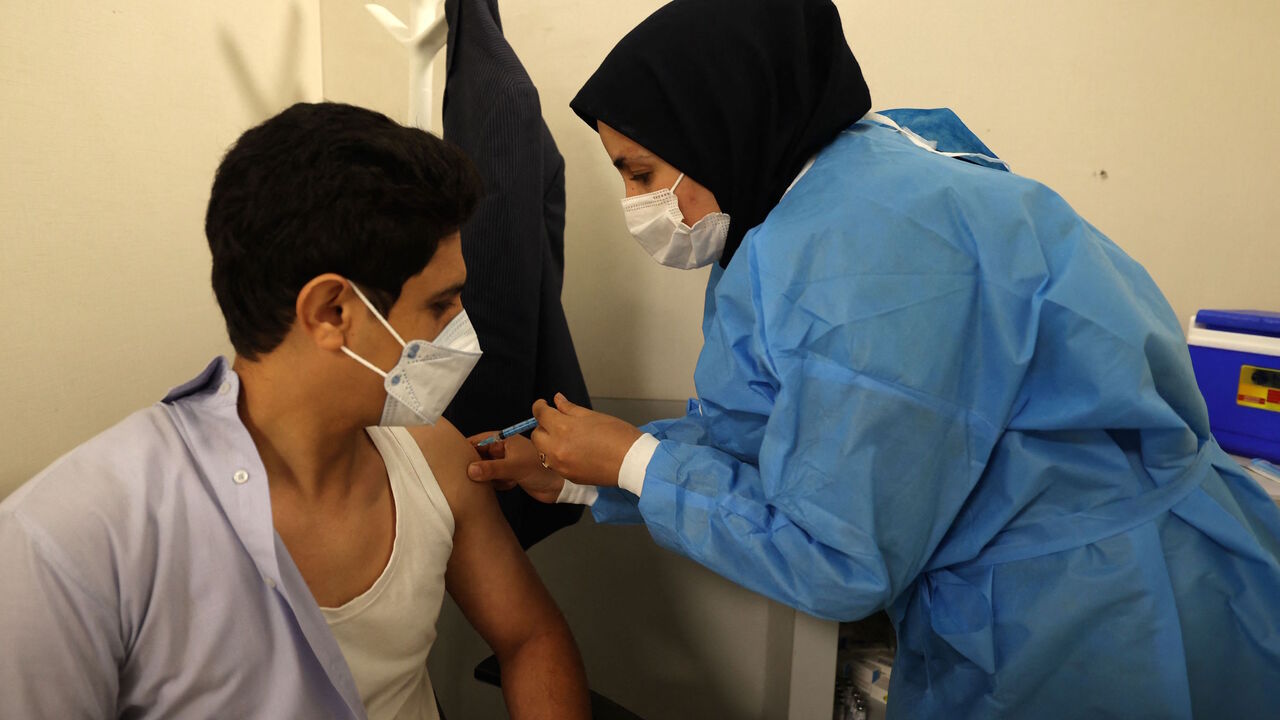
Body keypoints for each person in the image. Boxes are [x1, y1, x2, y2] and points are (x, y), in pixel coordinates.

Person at [465, 1, 1280, 718]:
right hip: (1108, 572)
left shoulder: (867, 257)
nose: (637, 206)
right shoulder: (836, 191)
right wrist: (585, 471)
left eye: (640, 173)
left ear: (717, 126)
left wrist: (638, 461)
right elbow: (784, 436)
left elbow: (835, 550)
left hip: (1100, 613)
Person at [0, 102, 590, 720]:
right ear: (332, 313)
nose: (461, 330)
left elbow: (532, 640)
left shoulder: (432, 456)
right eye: (440, 305)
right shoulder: (72, 539)